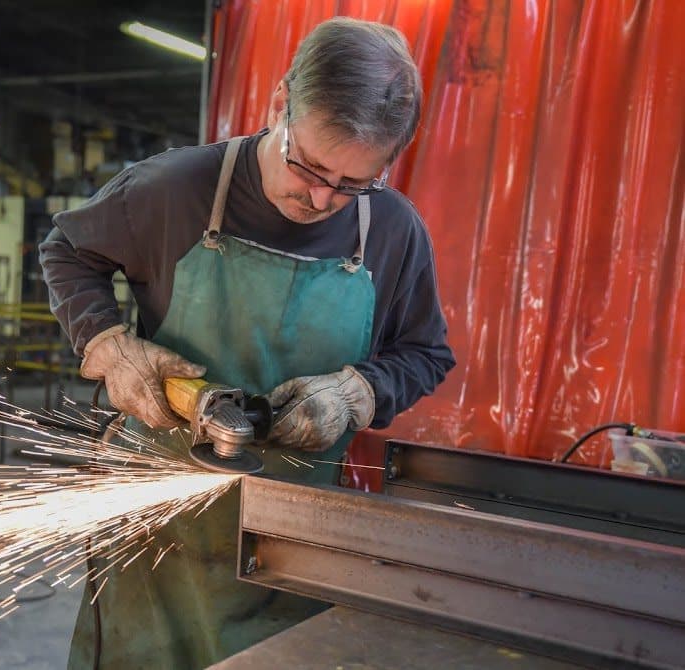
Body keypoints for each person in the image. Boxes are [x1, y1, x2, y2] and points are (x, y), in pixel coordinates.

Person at [40, 17, 456, 669]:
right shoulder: (175, 189)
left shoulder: (394, 233)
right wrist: (111, 345)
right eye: (310, 167)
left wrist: (357, 393)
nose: (321, 198)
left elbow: (425, 352)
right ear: (279, 101)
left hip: (297, 541)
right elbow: (68, 249)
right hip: (160, 531)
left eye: (352, 185)